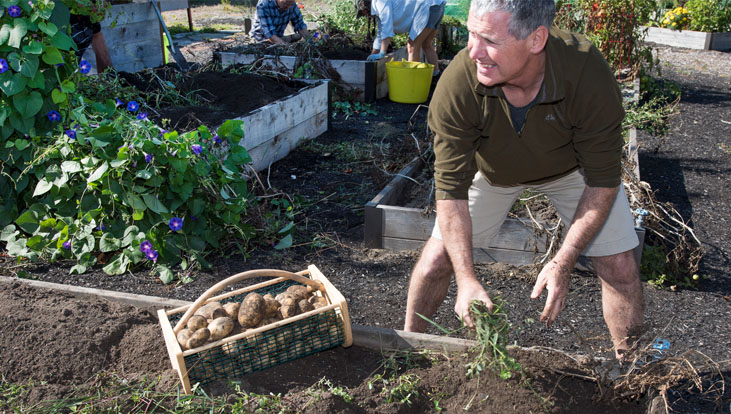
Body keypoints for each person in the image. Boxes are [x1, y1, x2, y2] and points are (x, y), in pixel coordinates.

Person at [404, 0, 644, 360]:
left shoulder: (585, 72)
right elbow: (450, 193)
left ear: (536, 40)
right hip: (493, 169)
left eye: (489, 40)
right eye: (471, 33)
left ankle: (634, 368)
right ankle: (405, 349)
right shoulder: (459, 82)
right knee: (439, 256)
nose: (473, 51)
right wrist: (467, 280)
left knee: (620, 265)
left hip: (571, 169)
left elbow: (603, 181)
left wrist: (563, 260)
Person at [358, 0, 445, 74]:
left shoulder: (380, 3)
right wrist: (372, 55)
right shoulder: (378, 8)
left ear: (366, 8)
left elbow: (387, 29)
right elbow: (380, 34)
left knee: (412, 46)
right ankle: (436, 77)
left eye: (363, 14)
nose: (366, 16)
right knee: (426, 45)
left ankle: (412, 81)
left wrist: (382, 53)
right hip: (437, 6)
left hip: (428, 7)